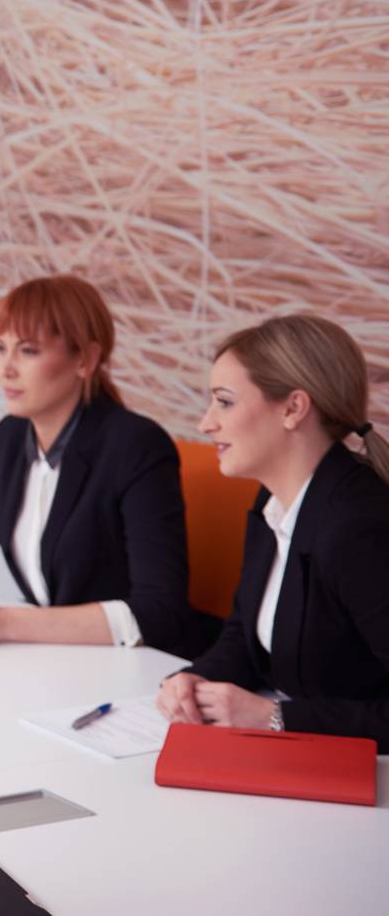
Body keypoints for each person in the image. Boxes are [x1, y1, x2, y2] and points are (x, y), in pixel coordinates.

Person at [0, 275, 210, 656]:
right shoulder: (13, 437)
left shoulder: (135, 446)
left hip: (136, 664)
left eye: (28, 351)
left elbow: (158, 612)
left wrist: (2, 622)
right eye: (0, 349)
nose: (5, 369)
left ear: (85, 359)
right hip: (57, 659)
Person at [157, 316, 389, 751]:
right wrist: (194, 678)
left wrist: (274, 718)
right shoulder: (274, 502)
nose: (207, 423)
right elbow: (246, 637)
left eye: (224, 402)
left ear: (293, 409)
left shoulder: (359, 526)